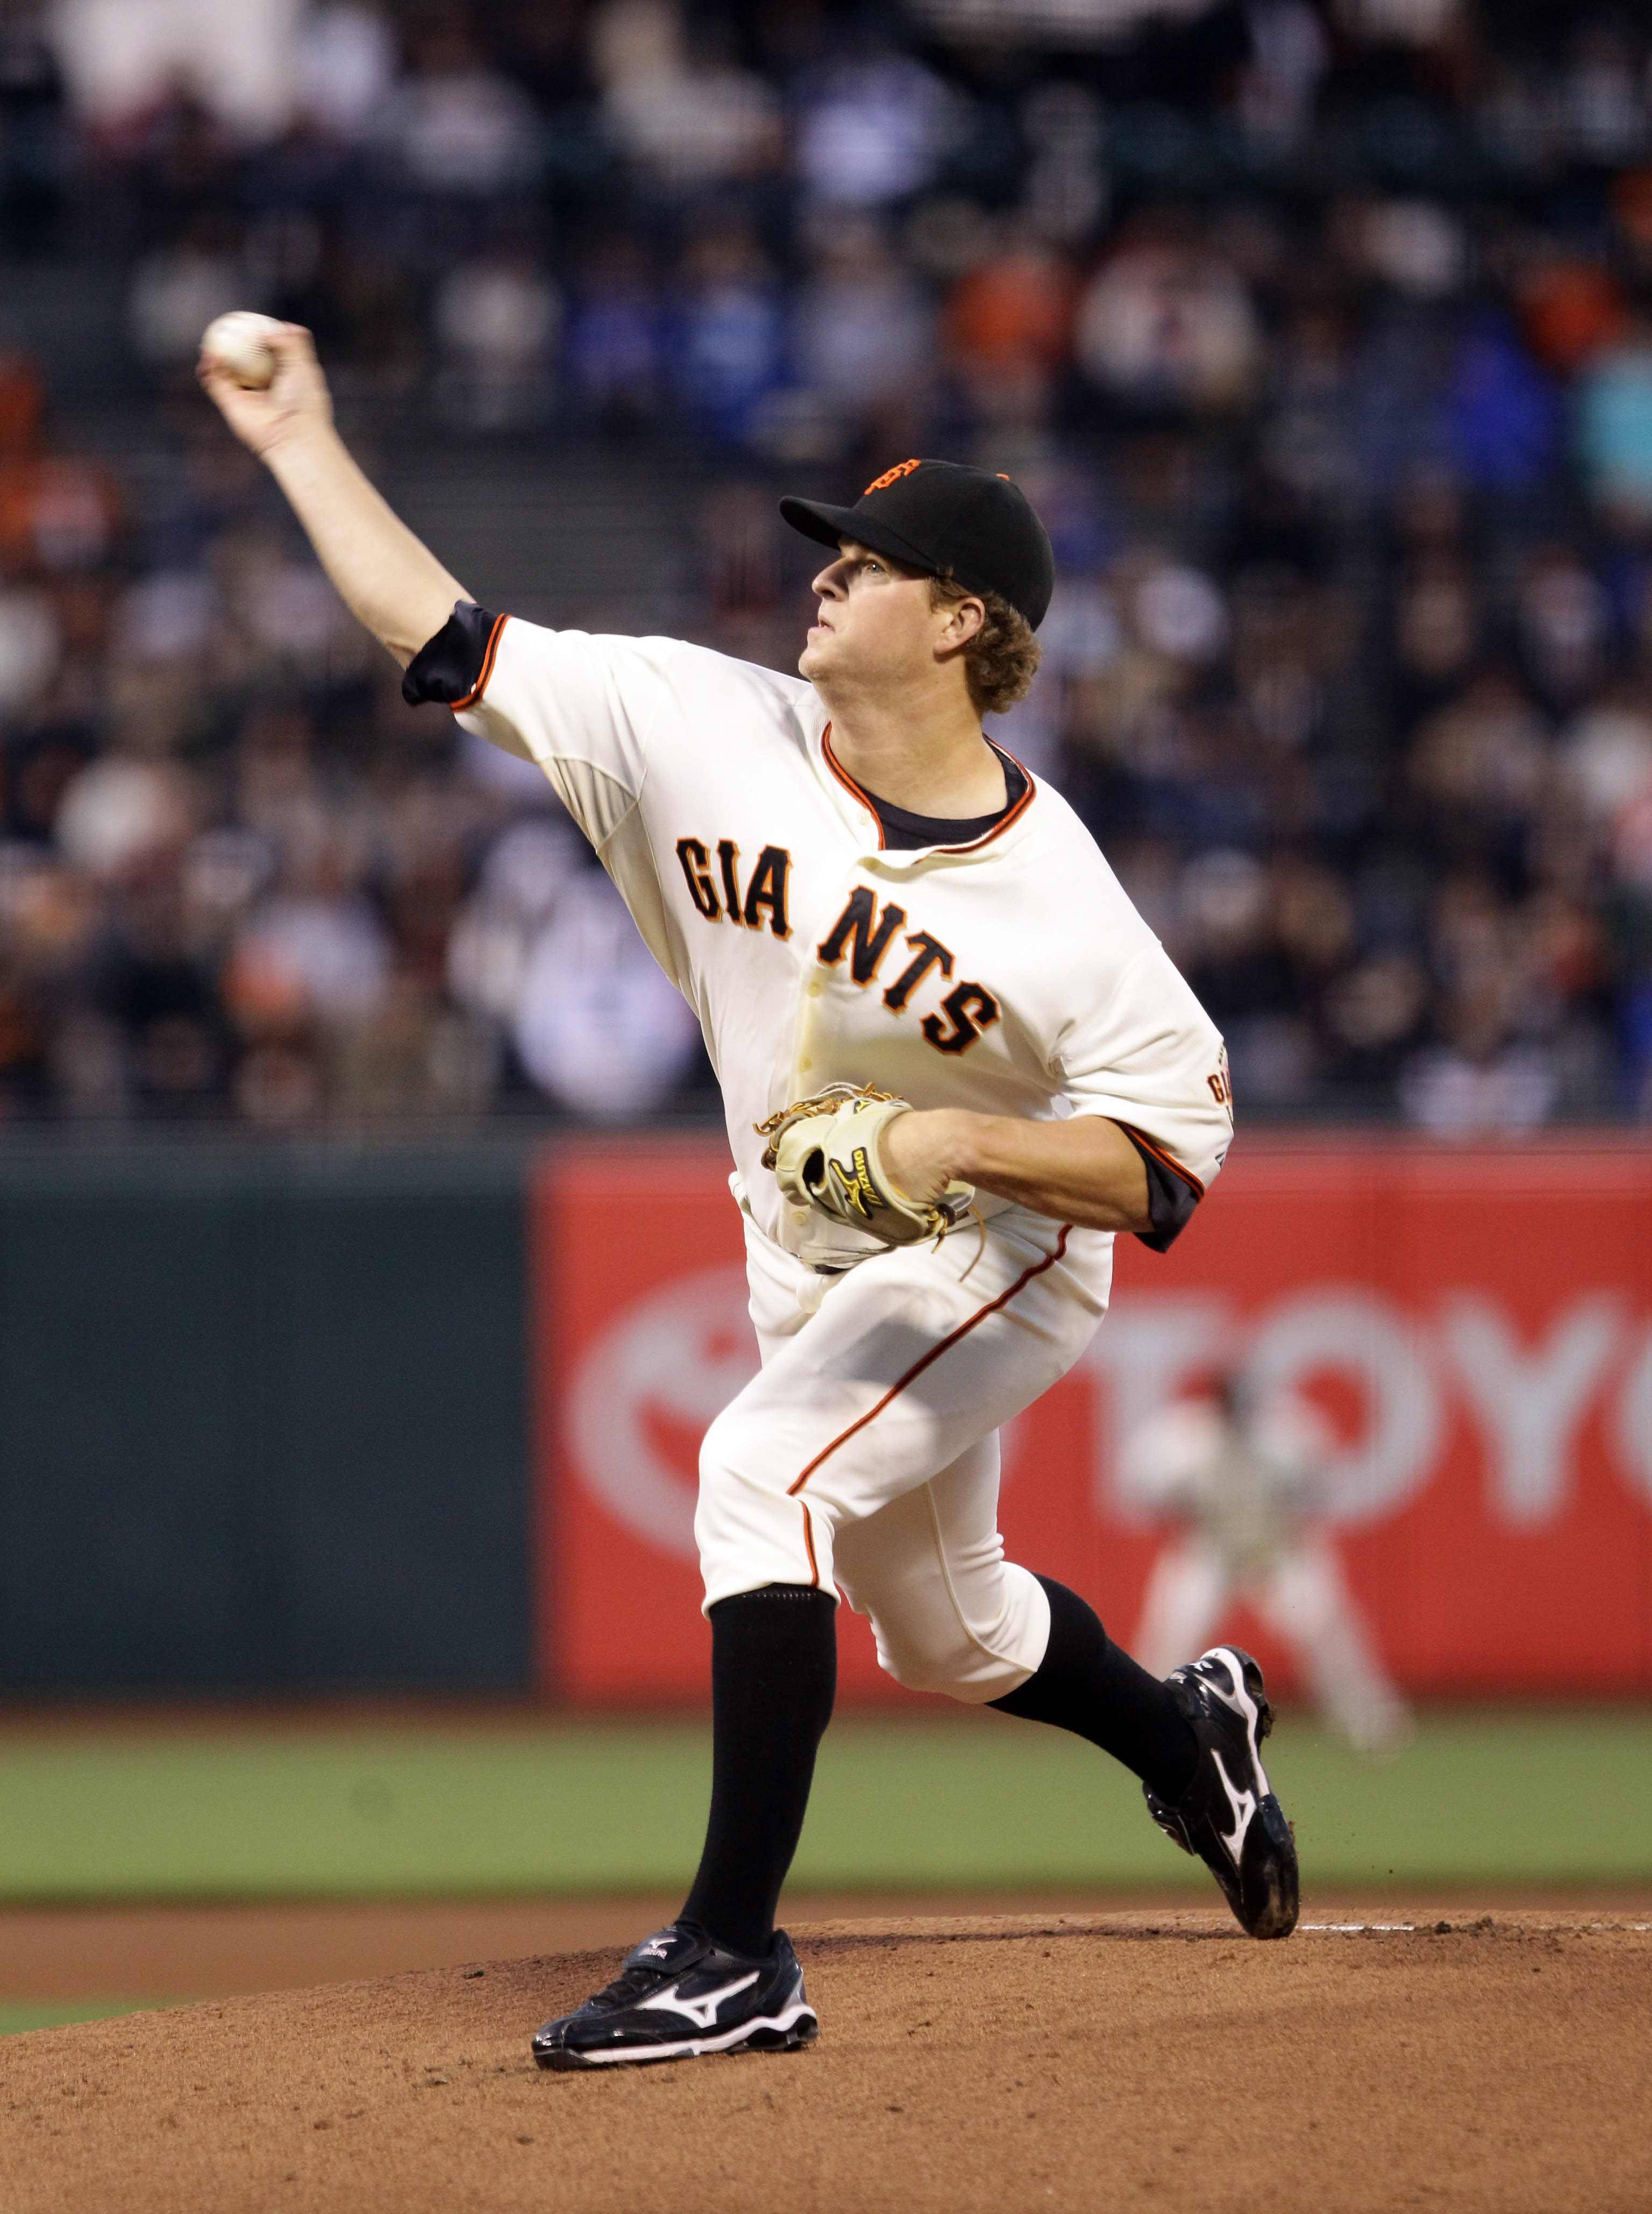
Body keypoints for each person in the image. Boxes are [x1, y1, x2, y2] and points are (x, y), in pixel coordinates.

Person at [199, 325, 1301, 2072]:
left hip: (994, 1257)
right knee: (951, 1628)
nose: (825, 579)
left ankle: (730, 1948)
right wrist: (299, 442)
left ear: (959, 621)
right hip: (809, 1256)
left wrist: (952, 1147)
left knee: (756, 1467)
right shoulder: (694, 721)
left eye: (866, 565)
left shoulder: (1059, 897)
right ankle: (1189, 1741)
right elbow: (443, 632)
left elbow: (1168, 1156)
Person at [1123, 1374, 1412, 1756]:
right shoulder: (1181, 1439)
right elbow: (1138, 1488)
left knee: (1324, 1626)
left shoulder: (1287, 1435)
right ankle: (1142, 1730)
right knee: (1172, 1635)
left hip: (1277, 1549)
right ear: (1216, 1407)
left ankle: (1371, 1722)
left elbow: (1317, 1488)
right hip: (1212, 1550)